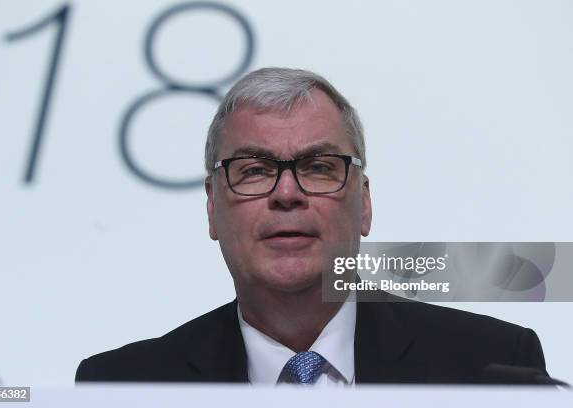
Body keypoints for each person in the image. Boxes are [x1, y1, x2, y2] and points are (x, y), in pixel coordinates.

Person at [76, 68, 548, 385]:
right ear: (212, 208)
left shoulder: (493, 366)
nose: (286, 194)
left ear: (364, 202)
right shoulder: (124, 384)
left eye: (319, 166)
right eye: (254, 170)